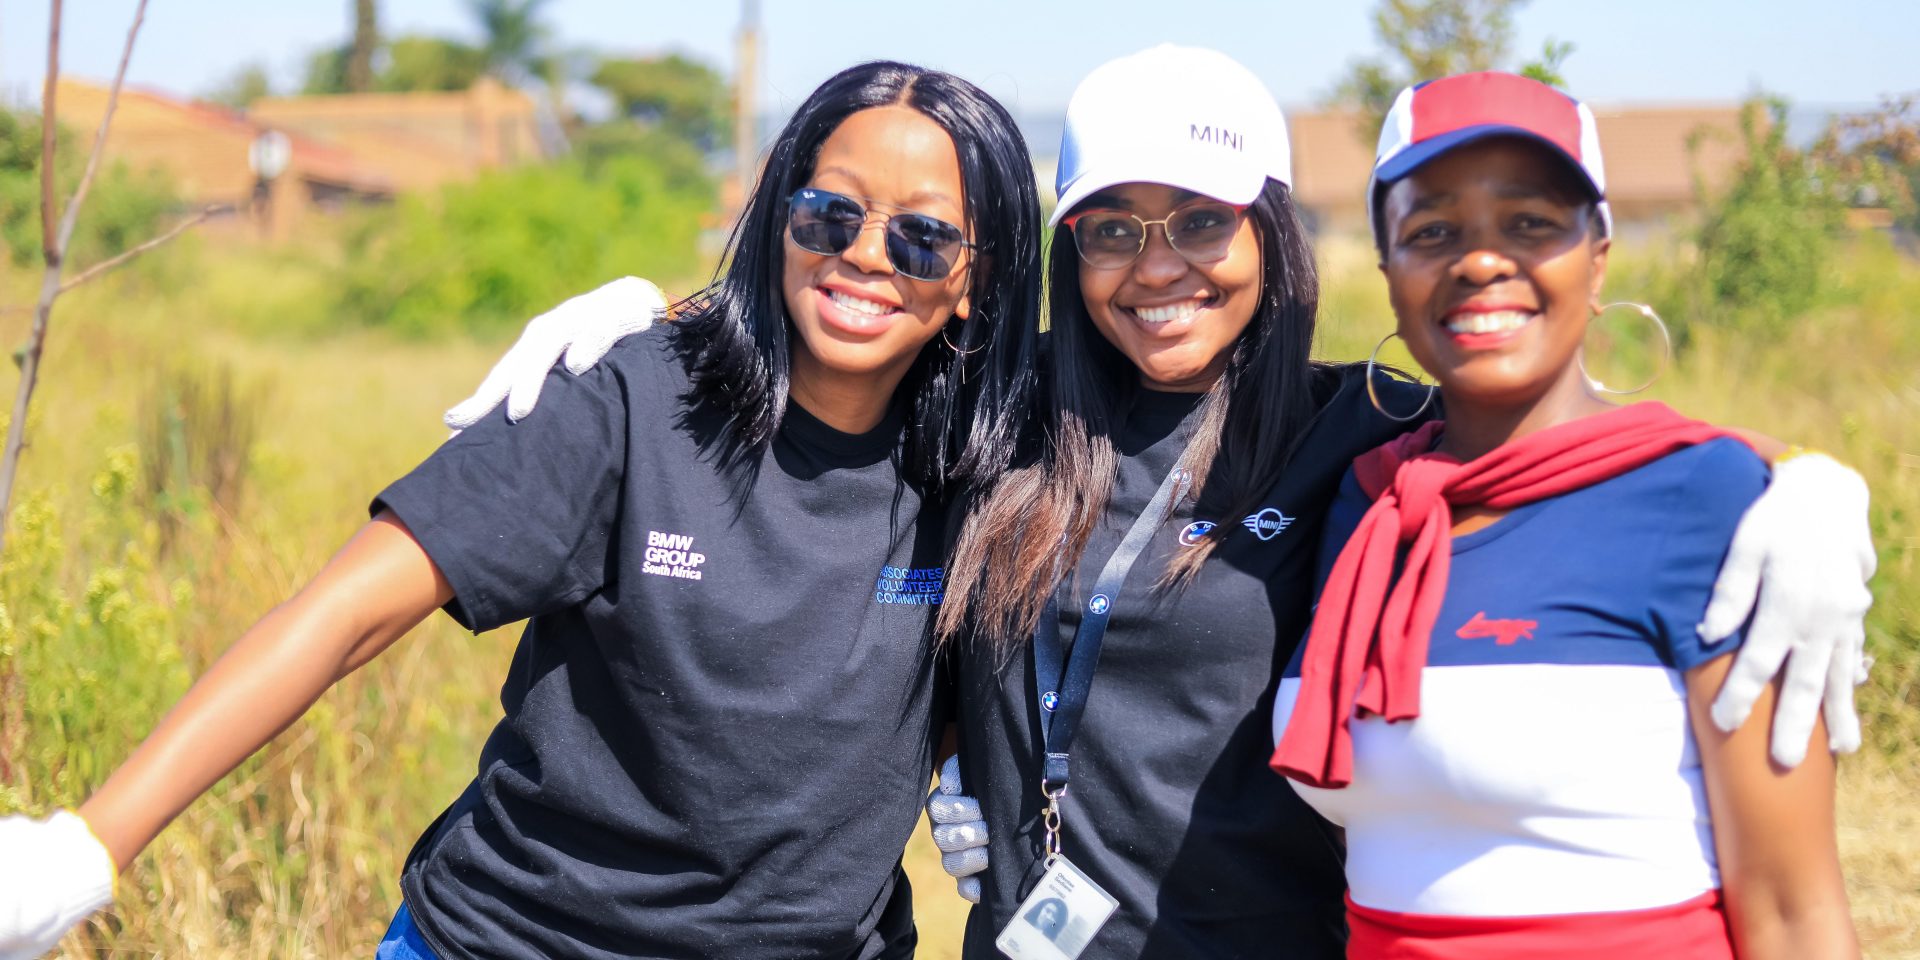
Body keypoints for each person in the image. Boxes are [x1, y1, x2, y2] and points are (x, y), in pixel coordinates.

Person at [412, 46, 1872, 958]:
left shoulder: (1361, 425)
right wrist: (634, 315)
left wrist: (1809, 489)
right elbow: (847, 310)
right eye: (1110, 229)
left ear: (1275, 236)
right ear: (1061, 248)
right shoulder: (1002, 410)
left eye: (1200, 224)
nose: (1155, 264)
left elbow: (1553, 444)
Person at [0, 60, 1044, 960]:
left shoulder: (989, 466)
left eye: (921, 239)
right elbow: (340, 615)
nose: (864, 254)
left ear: (974, 281)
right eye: (829, 213)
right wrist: (89, 845)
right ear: (779, 218)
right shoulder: (624, 404)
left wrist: (964, 759)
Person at [1272, 71, 1859, 959]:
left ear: (1599, 253)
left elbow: (1795, 913)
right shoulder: (1371, 500)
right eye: (1433, 230)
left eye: (1530, 222)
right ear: (1389, 269)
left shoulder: (1716, 506)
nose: (1478, 260)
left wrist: (1812, 475)